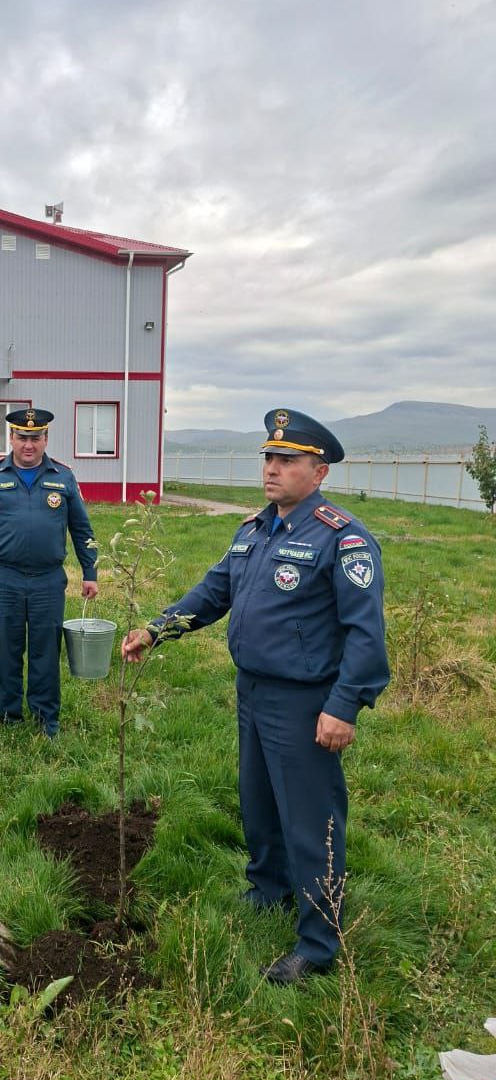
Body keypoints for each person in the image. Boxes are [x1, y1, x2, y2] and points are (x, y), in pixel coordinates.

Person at [122, 408, 389, 984]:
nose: (271, 468)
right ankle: (269, 889)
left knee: (310, 818)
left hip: (305, 701)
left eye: (287, 460)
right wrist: (156, 629)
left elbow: (366, 633)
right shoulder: (253, 530)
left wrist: (343, 705)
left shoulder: (343, 539)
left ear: (319, 472)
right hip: (252, 691)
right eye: (268, 457)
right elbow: (213, 591)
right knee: (260, 803)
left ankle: (318, 942)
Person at [0, 407, 98, 737]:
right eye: (22, 437)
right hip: (4, 579)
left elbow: (82, 529)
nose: (28, 445)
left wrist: (90, 572)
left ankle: (46, 719)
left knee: (46, 650)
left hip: (48, 580)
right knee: (7, 649)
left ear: (46, 439)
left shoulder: (64, 477)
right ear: (11, 438)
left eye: (35, 438)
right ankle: (10, 716)